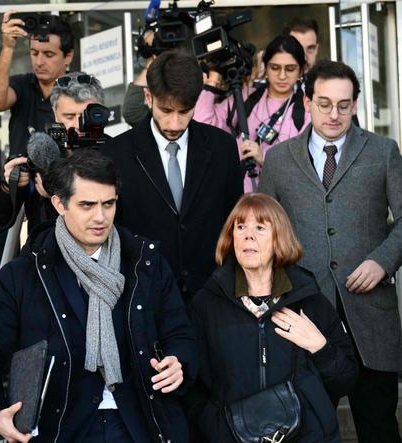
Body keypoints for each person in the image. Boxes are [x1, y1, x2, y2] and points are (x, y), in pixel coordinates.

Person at [0, 150, 197, 443]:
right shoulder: (24, 274)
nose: (100, 217)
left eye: (108, 204)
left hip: (140, 424)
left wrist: (178, 362)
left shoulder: (145, 264)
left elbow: (181, 333)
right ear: (59, 204)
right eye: (87, 205)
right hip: (61, 427)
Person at [259, 60, 402, 443]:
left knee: (379, 429)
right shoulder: (278, 159)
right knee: (309, 430)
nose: (334, 114)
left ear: (354, 105)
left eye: (343, 104)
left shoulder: (383, 151)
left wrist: (382, 261)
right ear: (307, 102)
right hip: (304, 315)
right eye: (324, 103)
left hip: (371, 318)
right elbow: (265, 231)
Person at [186, 193, 358, 442]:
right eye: (240, 227)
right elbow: (192, 385)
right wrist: (219, 429)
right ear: (231, 237)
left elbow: (346, 381)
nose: (248, 235)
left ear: (279, 238)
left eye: (260, 227)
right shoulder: (206, 304)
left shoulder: (310, 300)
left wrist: (319, 347)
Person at [102, 49, 243, 301]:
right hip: (144, 296)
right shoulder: (116, 154)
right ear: (148, 97)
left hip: (213, 296)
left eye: (185, 111)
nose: (175, 124)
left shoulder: (222, 147)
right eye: (166, 111)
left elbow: (235, 222)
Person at [0, 72, 105, 236]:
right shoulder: (40, 154)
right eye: (69, 116)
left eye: (84, 117)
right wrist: (6, 186)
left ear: (99, 112)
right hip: (44, 248)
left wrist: (57, 196)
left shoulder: (117, 151)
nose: (77, 125)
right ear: (54, 112)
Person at [194, 35, 311, 192]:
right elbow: (202, 122)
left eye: (290, 69)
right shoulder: (247, 96)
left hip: (283, 199)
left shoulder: (306, 109)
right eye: (275, 68)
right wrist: (213, 79)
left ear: (301, 70)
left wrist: (265, 159)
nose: (282, 76)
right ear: (265, 67)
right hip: (241, 197)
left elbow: (306, 166)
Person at [0, 10, 75, 155]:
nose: (39, 62)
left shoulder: (81, 91)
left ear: (68, 56)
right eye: (34, 53)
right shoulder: (22, 84)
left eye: (48, 54)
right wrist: (8, 47)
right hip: (20, 169)